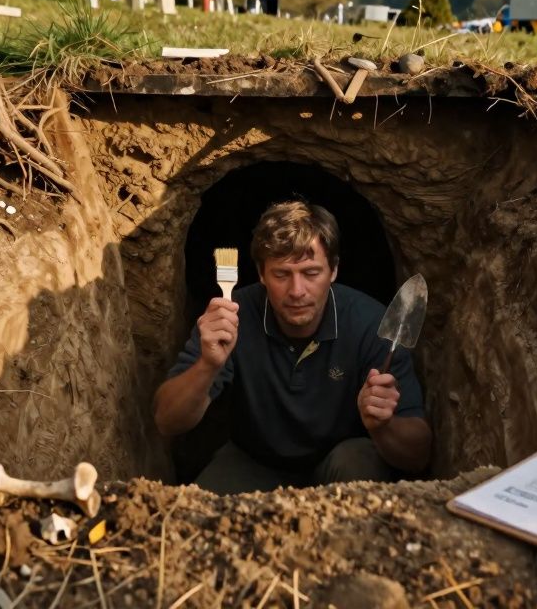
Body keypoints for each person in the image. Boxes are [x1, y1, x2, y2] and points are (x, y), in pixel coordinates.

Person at [154, 200, 432, 494]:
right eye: (282, 274)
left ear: (333, 270)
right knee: (193, 515)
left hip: (340, 461)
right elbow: (166, 421)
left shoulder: (372, 326)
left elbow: (418, 457)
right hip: (253, 460)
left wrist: (383, 426)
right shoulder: (231, 318)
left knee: (359, 461)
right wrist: (207, 366)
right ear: (261, 274)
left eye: (311, 273)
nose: (297, 291)